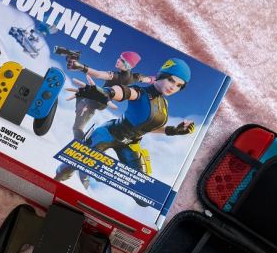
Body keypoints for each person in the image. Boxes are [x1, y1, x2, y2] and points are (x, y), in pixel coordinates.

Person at [56, 58, 196, 195]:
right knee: (67, 168)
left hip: (130, 144)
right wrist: (107, 92)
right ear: (161, 75)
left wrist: (173, 130)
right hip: (109, 133)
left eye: (179, 85)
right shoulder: (141, 92)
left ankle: (86, 173)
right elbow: (125, 92)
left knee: (142, 192)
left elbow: (147, 127)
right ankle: (75, 173)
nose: (173, 87)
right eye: (171, 80)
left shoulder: (164, 104)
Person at [66, 51, 154, 140]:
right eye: (119, 58)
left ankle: (80, 141)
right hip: (102, 102)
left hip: (95, 100)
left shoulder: (116, 76)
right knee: (81, 96)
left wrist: (81, 67)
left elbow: (98, 74)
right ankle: (83, 114)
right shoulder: (134, 77)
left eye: (122, 60)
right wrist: (154, 79)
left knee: (77, 128)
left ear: (127, 65)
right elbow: (147, 79)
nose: (118, 60)